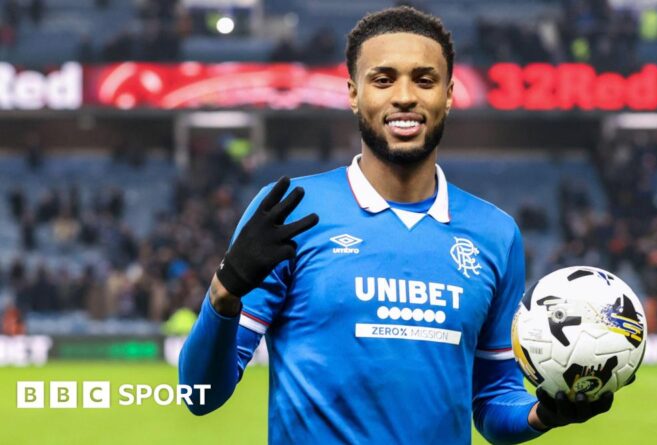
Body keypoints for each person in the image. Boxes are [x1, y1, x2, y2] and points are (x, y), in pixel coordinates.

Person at [179, 6, 618, 444]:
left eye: (424, 80)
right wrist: (224, 291)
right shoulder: (290, 212)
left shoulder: (496, 234)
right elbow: (200, 396)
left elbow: (493, 398)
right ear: (353, 93)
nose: (404, 96)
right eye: (383, 79)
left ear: (448, 94)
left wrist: (543, 413)